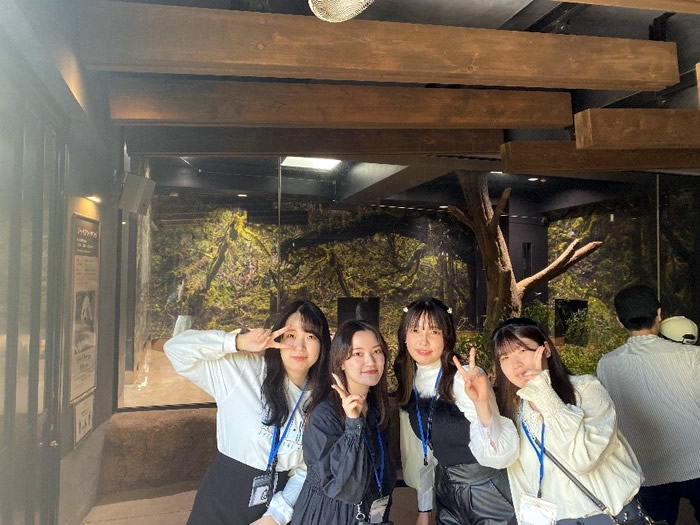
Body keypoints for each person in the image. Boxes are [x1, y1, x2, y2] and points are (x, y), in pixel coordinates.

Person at [163, 300, 331, 525]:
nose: (299, 346)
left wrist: (276, 515)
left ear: (322, 345)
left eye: (310, 336)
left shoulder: (320, 400)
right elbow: (175, 349)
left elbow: (307, 468)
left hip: (273, 508)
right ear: (279, 337)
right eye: (291, 335)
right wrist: (237, 342)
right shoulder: (244, 369)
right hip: (221, 500)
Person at [484, 317, 645, 525]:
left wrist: (542, 391)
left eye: (522, 351)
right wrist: (480, 403)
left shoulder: (586, 390)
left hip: (609, 517)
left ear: (546, 350)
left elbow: (583, 460)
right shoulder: (514, 410)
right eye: (505, 357)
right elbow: (517, 478)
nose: (516, 364)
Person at [394, 297, 519, 525]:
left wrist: (482, 404)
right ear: (405, 335)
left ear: (447, 337)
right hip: (447, 490)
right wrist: (424, 508)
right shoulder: (411, 380)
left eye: (434, 331)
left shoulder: (464, 378)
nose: (423, 340)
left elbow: (501, 454)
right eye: (415, 330)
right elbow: (425, 452)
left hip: (486, 488)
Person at [597, 285, 700, 524]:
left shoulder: (607, 364)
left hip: (648, 469)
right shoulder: (693, 356)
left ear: (619, 321)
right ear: (659, 314)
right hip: (696, 460)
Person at [291, 319, 396, 525]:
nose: (370, 361)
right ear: (341, 362)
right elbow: (345, 488)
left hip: (369, 514)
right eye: (358, 354)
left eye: (376, 351)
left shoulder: (376, 408)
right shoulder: (324, 414)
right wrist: (353, 425)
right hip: (329, 515)